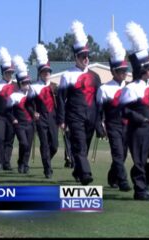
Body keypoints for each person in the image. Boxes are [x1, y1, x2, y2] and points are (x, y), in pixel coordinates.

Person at [57, 21, 104, 185]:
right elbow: (61, 99)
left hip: (91, 116)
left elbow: (100, 100)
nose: (86, 59)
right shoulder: (67, 75)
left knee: (84, 147)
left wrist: (100, 121)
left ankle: (78, 170)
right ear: (76, 57)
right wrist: (61, 120)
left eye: (87, 56)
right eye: (83, 56)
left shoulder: (95, 76)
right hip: (74, 116)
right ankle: (85, 175)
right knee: (79, 145)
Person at [120, 22, 149, 200]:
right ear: (143, 70)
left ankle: (142, 181)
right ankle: (140, 190)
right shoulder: (131, 89)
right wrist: (138, 118)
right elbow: (123, 110)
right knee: (139, 160)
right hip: (138, 130)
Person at [96, 31, 131, 191]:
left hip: (127, 125)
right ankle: (123, 181)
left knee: (122, 154)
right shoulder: (104, 89)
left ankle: (112, 177)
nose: (125, 73)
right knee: (117, 152)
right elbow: (98, 111)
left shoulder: (130, 87)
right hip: (112, 125)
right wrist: (100, 127)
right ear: (114, 72)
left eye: (125, 70)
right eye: (121, 71)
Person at [29, 44, 58, 178]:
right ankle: (47, 169)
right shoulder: (34, 87)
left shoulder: (54, 87)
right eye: (44, 72)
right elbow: (28, 104)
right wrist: (33, 112)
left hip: (53, 117)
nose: (47, 74)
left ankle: (46, 160)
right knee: (45, 144)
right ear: (40, 73)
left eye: (48, 72)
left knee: (55, 146)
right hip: (41, 118)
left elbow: (60, 104)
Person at [6, 56, 35, 175]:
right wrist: (13, 120)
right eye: (24, 82)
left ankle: (25, 164)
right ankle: (20, 162)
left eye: (28, 82)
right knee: (23, 143)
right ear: (19, 83)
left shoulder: (32, 95)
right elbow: (7, 111)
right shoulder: (13, 96)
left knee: (28, 145)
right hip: (19, 124)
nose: (27, 84)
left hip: (30, 123)